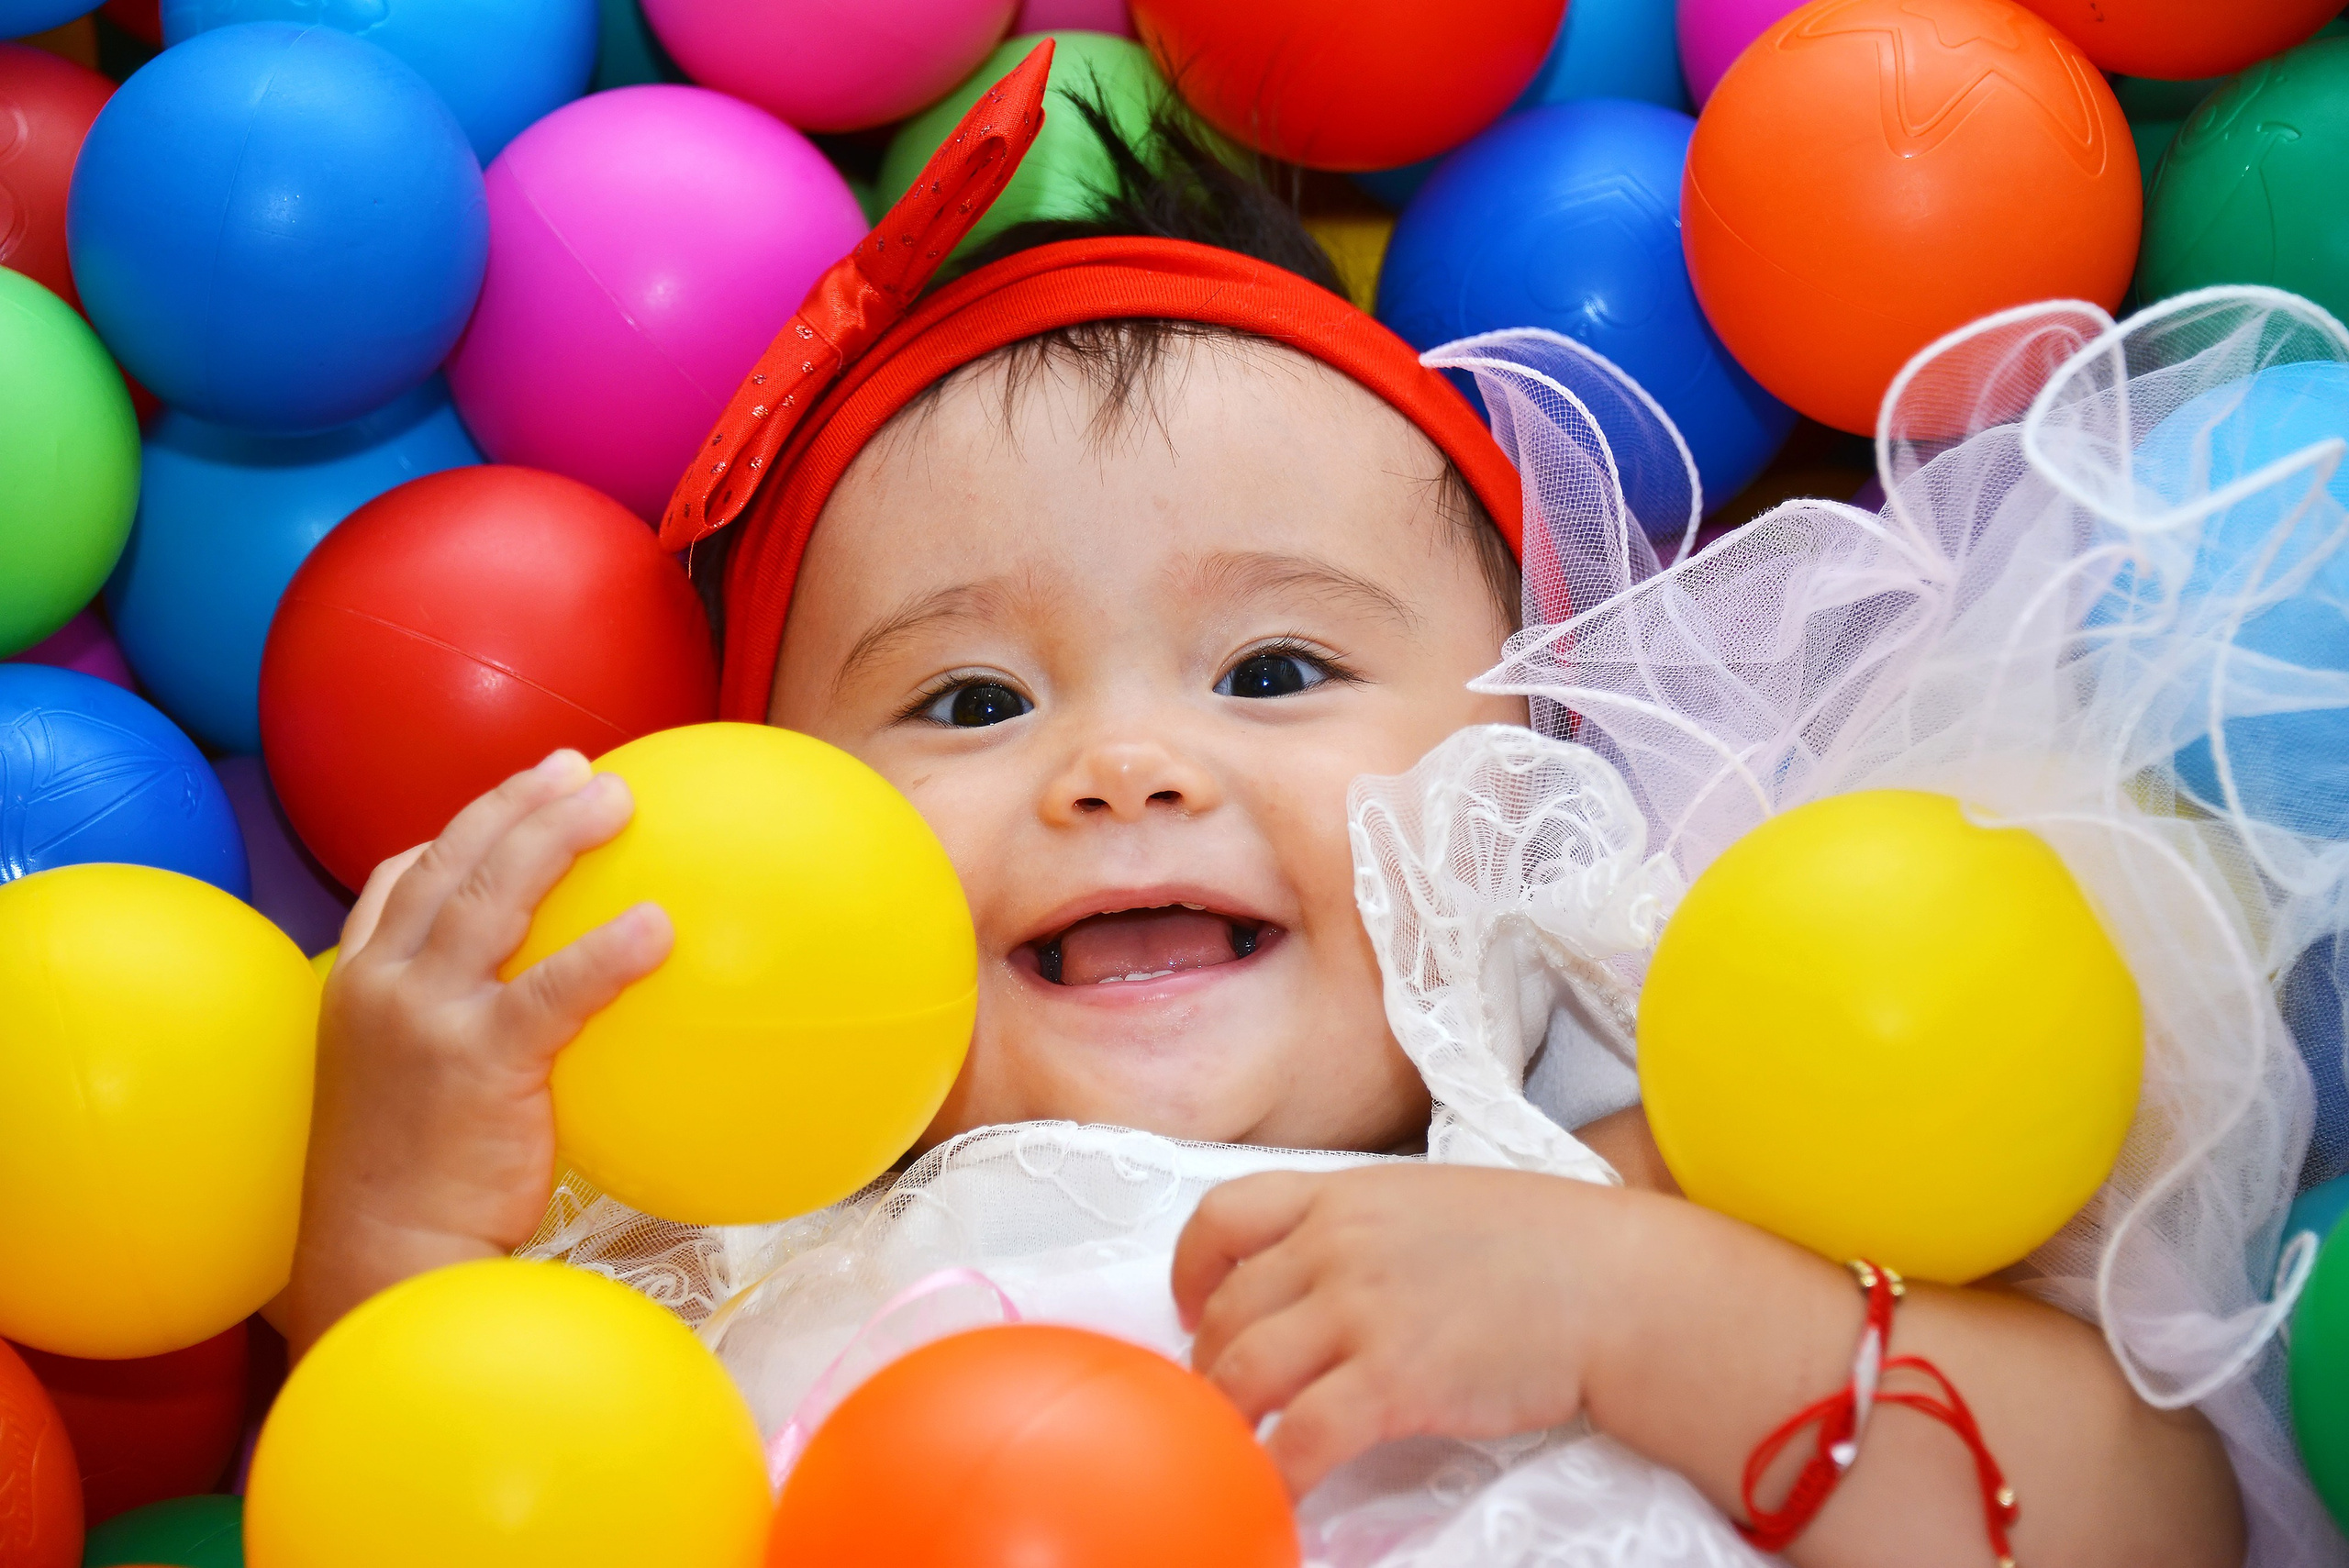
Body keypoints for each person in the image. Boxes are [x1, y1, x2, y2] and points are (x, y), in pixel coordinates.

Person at [283, 44, 2259, 1568]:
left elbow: (2158, 1520)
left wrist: (1641, 1317)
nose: (1126, 767)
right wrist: (384, 1243)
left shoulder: (1641, 1157)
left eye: (1274, 674)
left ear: (1516, 768)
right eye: (970, 698)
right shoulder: (708, 1249)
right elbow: (435, 1479)